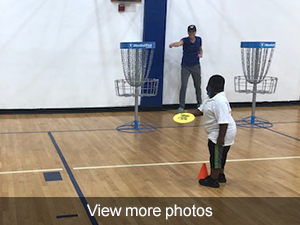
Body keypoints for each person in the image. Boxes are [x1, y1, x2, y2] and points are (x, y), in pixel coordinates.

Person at [193, 75, 236, 188]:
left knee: (216, 156)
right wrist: (187, 115)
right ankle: (220, 175)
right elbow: (201, 110)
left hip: (222, 132)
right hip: (216, 132)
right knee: (220, 155)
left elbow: (224, 122)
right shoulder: (210, 98)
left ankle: (213, 180)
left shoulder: (220, 101)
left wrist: (221, 138)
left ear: (211, 87)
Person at [169, 25, 203, 113]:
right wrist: (173, 44)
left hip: (196, 66)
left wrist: (201, 54)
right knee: (184, 86)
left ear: (195, 32)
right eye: (190, 32)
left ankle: (200, 104)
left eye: (193, 32)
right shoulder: (185, 40)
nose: (191, 33)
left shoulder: (199, 39)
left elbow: (200, 49)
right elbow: (179, 43)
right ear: (188, 32)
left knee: (197, 85)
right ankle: (181, 106)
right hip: (185, 66)